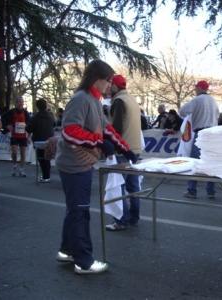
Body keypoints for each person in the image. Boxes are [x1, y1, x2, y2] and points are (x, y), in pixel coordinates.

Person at [54, 59, 137, 274]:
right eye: (108, 81)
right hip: (75, 164)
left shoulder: (94, 99)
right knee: (80, 212)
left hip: (82, 162)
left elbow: (106, 129)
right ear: (96, 79)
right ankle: (84, 262)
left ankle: (66, 251)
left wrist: (124, 148)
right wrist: (99, 142)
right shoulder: (81, 99)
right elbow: (70, 131)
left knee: (75, 209)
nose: (110, 85)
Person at [105, 74, 143, 231]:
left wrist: (112, 148)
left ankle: (121, 220)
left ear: (114, 86)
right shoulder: (132, 99)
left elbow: (117, 128)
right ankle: (133, 217)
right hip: (135, 148)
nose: (108, 89)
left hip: (123, 150)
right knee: (133, 186)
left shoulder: (119, 101)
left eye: (109, 86)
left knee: (118, 186)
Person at [180, 80, 219, 199]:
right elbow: (217, 116)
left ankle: (192, 190)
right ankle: (211, 190)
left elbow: (182, 111)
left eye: (196, 87)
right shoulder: (213, 101)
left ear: (200, 88)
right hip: (213, 133)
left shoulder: (197, 100)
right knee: (211, 162)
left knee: (195, 162)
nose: (195, 89)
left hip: (201, 133)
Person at [25, 98, 55, 183]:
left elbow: (29, 129)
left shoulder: (36, 117)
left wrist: (27, 126)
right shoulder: (50, 116)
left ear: (37, 107)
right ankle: (47, 175)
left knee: (41, 158)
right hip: (50, 139)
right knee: (47, 158)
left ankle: (46, 176)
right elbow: (54, 124)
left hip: (39, 140)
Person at [1, 96, 31, 177]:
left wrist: (29, 136)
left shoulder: (25, 112)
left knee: (23, 152)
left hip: (23, 135)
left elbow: (29, 124)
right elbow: (1, 117)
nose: (21, 103)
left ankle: (21, 169)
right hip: (14, 135)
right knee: (14, 152)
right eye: (20, 102)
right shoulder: (11, 111)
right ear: (16, 103)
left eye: (22, 102)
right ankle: (14, 166)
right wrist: (7, 126)